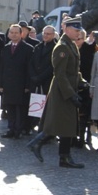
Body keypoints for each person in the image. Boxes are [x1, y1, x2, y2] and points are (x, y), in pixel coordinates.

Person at [26, 16, 87, 168]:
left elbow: (73, 70)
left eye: (79, 30)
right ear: (66, 29)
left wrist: (82, 82)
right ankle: (57, 154)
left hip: (67, 89)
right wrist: (71, 94)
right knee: (62, 124)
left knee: (65, 124)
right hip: (62, 91)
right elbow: (60, 74)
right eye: (75, 30)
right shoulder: (62, 47)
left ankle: (60, 155)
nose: (78, 33)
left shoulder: (70, 45)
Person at [0, 24, 34, 139]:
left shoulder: (28, 48)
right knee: (10, 107)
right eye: (11, 32)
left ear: (21, 34)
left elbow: (30, 69)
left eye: (16, 33)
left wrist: (28, 85)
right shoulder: (5, 48)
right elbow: (2, 67)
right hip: (8, 83)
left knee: (20, 108)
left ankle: (18, 130)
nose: (13, 35)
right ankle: (11, 129)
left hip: (21, 83)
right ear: (8, 34)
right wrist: (1, 84)